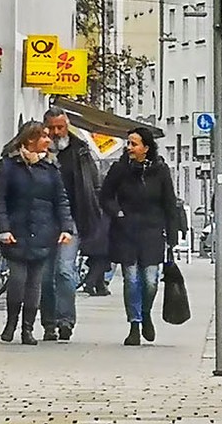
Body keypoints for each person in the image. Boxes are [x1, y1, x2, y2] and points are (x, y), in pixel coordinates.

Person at [0, 121, 75, 345]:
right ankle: (11, 323)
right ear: (30, 140)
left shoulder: (51, 167)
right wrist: (4, 229)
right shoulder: (8, 165)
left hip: (44, 231)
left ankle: (28, 329)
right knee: (18, 280)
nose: (49, 140)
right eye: (44, 136)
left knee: (35, 284)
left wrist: (66, 228)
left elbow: (61, 200)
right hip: (16, 232)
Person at [98, 125, 183, 346]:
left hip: (152, 232)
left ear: (146, 147)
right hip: (126, 231)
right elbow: (105, 195)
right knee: (132, 280)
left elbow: (169, 203)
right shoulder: (119, 169)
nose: (129, 148)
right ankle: (134, 324)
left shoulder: (160, 170)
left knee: (150, 281)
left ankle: (145, 314)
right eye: (128, 143)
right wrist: (117, 211)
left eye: (134, 144)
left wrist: (172, 236)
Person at [39, 108, 103, 340]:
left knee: (64, 271)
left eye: (60, 127)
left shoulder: (80, 150)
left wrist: (93, 215)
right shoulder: (36, 149)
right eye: (52, 128)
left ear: (67, 126)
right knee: (45, 275)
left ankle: (65, 320)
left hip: (73, 220)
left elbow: (93, 185)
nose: (56, 132)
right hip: (42, 221)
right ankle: (49, 322)